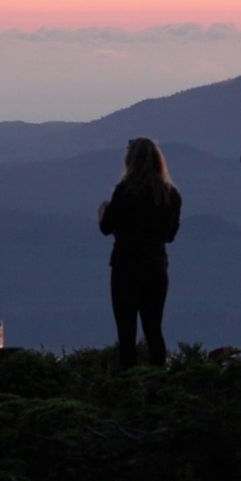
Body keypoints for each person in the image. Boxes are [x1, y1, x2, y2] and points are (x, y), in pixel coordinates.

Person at [98, 137, 182, 370]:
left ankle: (128, 385)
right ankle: (159, 384)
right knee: (154, 330)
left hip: (125, 268)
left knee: (127, 332)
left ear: (130, 161)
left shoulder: (124, 191)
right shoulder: (170, 194)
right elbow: (170, 235)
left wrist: (104, 210)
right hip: (156, 268)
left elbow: (106, 228)